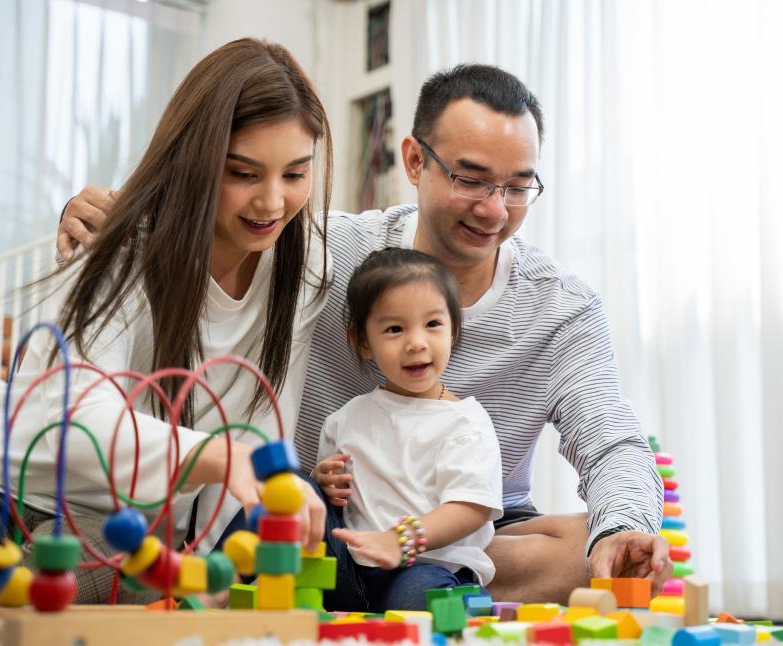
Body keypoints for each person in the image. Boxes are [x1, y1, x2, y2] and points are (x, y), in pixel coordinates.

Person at [57, 64, 671, 604]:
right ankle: (379, 585)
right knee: (273, 518)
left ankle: (391, 585)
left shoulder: (560, 307)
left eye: (517, 187)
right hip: (325, 513)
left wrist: (622, 523)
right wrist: (116, 217)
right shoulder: (330, 251)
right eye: (471, 178)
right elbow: (228, 224)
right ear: (413, 160)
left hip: (466, 527)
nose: (493, 208)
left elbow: (611, 434)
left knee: (585, 543)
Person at [0, 38, 329, 603]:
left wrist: (208, 576)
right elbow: (73, 424)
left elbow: (263, 428)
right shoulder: (119, 242)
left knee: (37, 605)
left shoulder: (304, 268)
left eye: (295, 174)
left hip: (119, 531)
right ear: (197, 160)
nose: (272, 202)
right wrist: (220, 456)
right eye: (243, 173)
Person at [310, 247, 502, 612]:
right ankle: (215, 583)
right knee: (291, 487)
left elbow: (471, 506)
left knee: (418, 599)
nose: (416, 342)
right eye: (395, 329)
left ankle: (465, 604)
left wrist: (400, 541)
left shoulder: (464, 422)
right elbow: (330, 503)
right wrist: (323, 481)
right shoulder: (346, 417)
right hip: (349, 567)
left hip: (424, 567)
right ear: (363, 342)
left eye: (432, 324)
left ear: (453, 330)